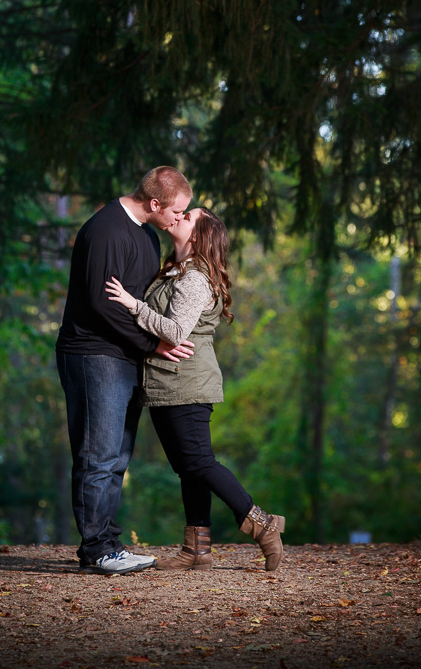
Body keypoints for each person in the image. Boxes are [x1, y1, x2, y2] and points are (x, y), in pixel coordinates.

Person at [105, 206, 286, 572]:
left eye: (188, 216)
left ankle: (261, 523)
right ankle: (197, 549)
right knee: (188, 468)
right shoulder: (175, 270)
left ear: (199, 236)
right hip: (169, 382)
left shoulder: (194, 280)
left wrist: (130, 304)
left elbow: (173, 331)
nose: (179, 216)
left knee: (199, 462)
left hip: (186, 382)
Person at [56, 166, 195, 574]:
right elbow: (102, 306)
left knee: (116, 457)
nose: (177, 220)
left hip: (125, 358)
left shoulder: (146, 235)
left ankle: (109, 542)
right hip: (92, 356)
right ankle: (96, 550)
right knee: (96, 457)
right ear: (155, 203)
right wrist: (154, 344)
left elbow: (140, 303)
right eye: (176, 212)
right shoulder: (106, 231)